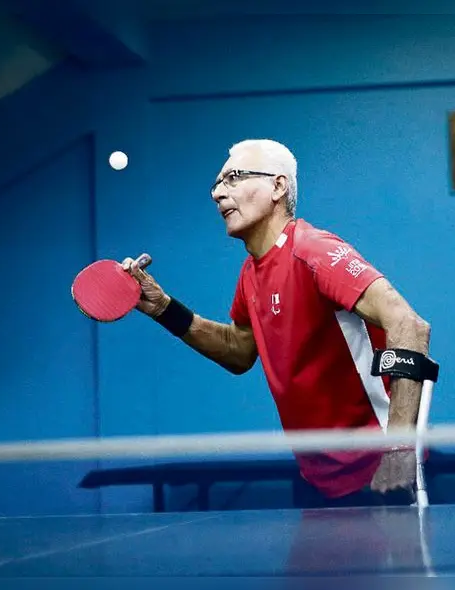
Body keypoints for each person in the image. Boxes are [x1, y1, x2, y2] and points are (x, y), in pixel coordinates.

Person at [120, 139, 434, 508]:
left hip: (379, 477)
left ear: (278, 187)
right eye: (217, 184)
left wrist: (397, 451)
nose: (219, 193)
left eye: (234, 177)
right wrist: (164, 309)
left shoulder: (313, 251)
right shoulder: (251, 273)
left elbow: (410, 325)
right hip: (317, 478)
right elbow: (239, 351)